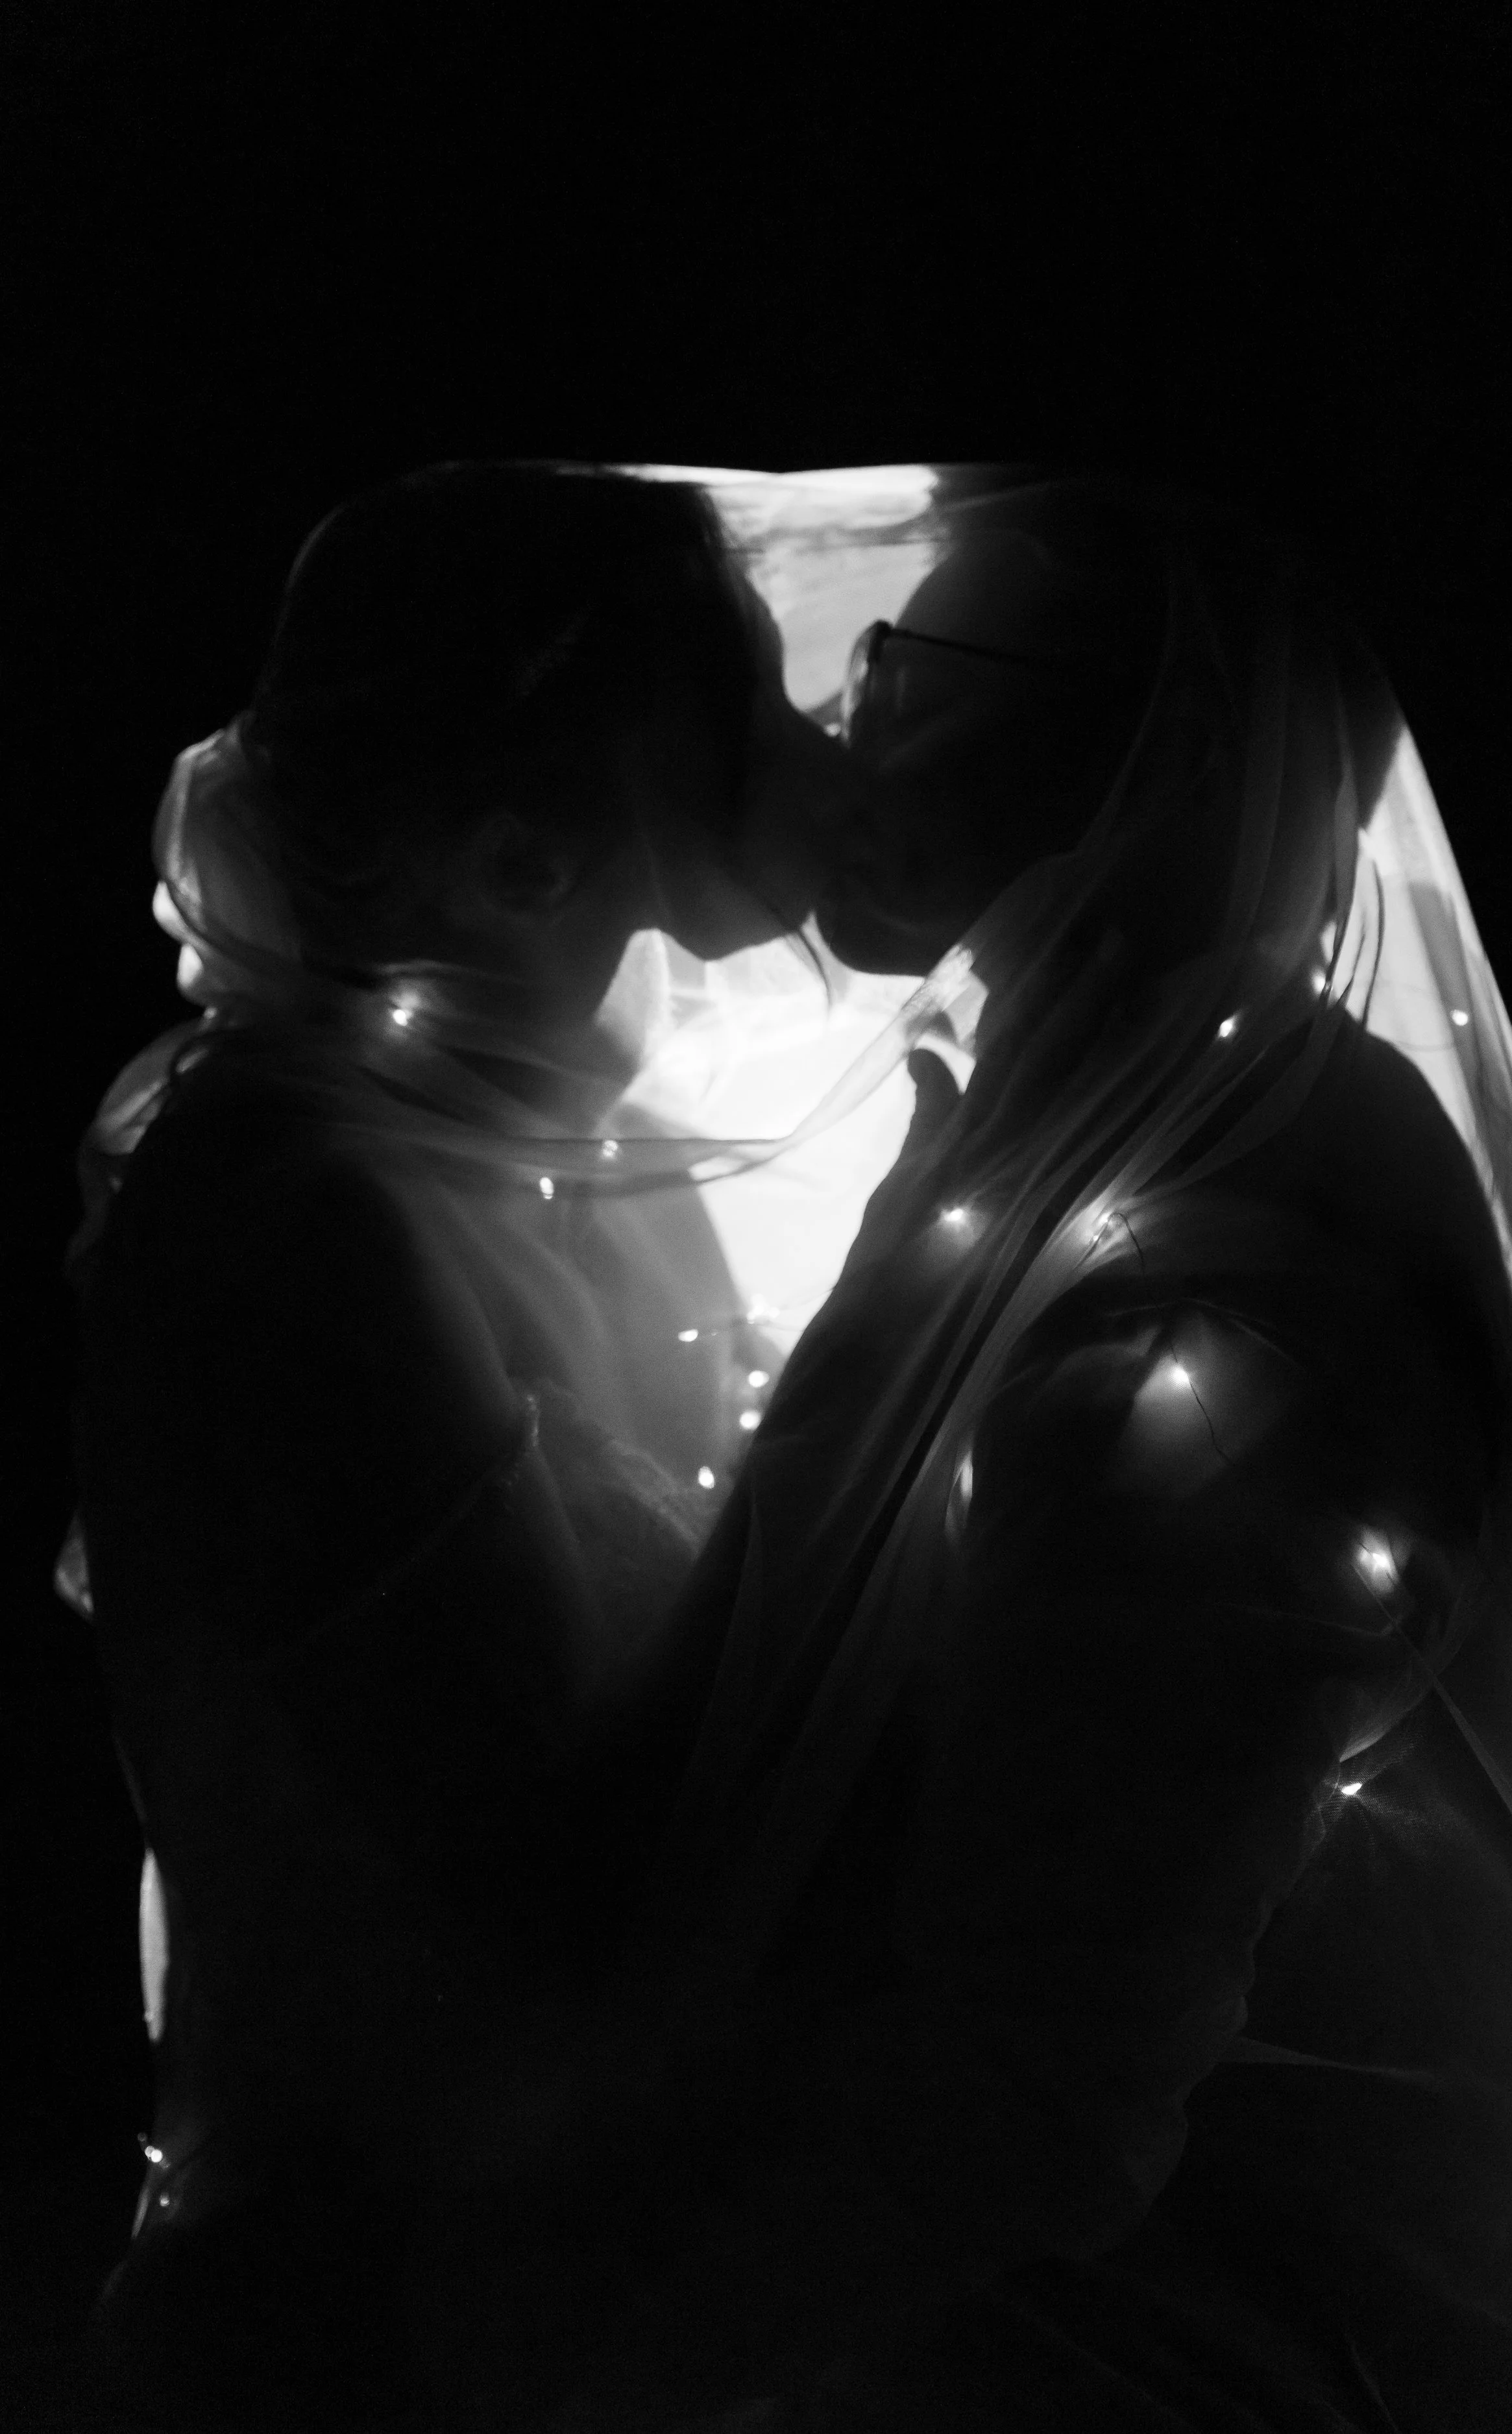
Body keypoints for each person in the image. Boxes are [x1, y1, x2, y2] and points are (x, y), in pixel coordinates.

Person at [556, 472, 1512, 2429]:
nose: (840, 719)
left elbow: (1037, 2084)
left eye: (902, 660)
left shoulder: (1210, 1277)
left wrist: (583, 2350)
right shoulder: (1081, 1124)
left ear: (1125, 743)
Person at [61, 460, 876, 2430]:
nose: (817, 738)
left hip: (586, 2249)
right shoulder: (298, 1199)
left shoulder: (552, 1120)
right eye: (746, 692)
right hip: (394, 2311)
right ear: (530, 831)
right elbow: (564, 1813)